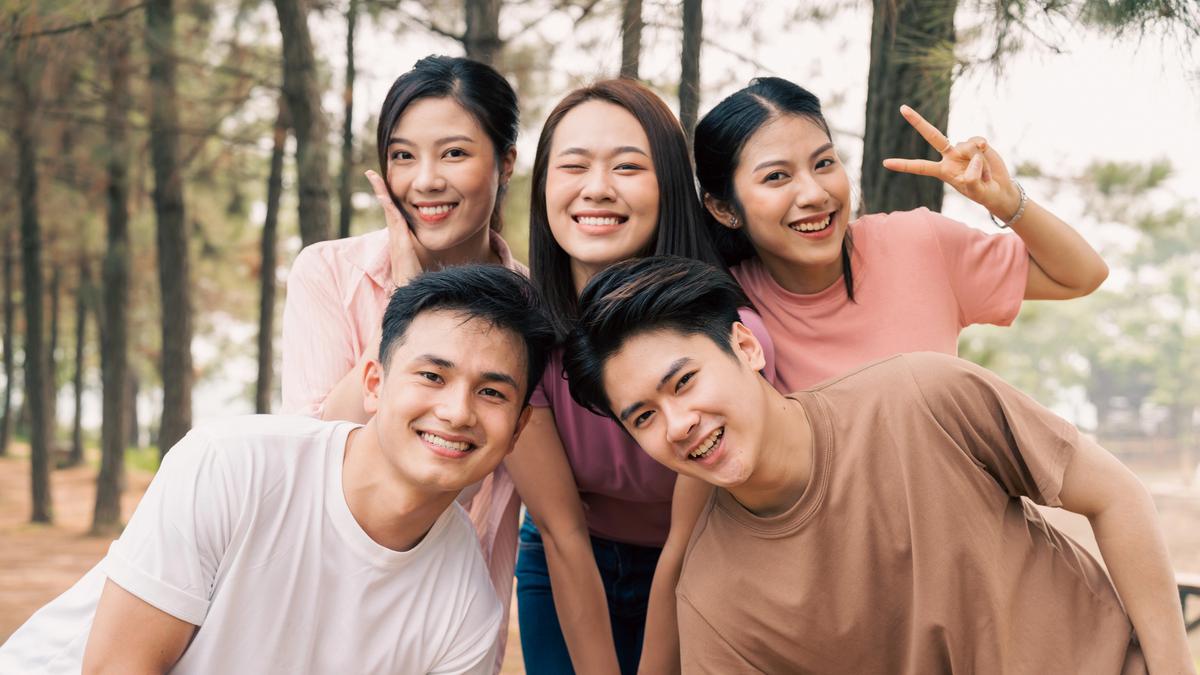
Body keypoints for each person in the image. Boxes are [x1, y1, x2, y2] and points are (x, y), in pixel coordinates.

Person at [562, 255, 1194, 675]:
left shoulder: (924, 396)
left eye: (684, 382)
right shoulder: (715, 600)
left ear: (747, 347)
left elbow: (1115, 496)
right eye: (642, 416)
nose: (678, 425)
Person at [0, 265, 556, 674]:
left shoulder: (468, 610)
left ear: (519, 428)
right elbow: (118, 670)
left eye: (490, 392)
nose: (457, 411)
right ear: (373, 384)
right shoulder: (232, 464)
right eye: (432, 377)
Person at [506, 79, 776, 675]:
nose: (597, 189)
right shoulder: (523, 340)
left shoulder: (727, 332)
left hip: (709, 556)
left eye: (627, 167)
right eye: (573, 166)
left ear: (669, 187)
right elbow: (560, 531)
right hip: (568, 560)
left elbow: (688, 536)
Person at [279, 55, 525, 669]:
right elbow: (315, 443)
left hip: (450, 616)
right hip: (316, 591)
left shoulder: (535, 311)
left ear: (507, 161)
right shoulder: (329, 272)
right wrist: (405, 304)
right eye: (402, 155)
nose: (425, 181)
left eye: (454, 153)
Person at [693, 76, 1109, 392]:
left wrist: (1004, 201)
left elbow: (1082, 275)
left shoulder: (917, 244)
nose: (814, 194)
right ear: (724, 208)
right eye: (777, 176)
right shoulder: (723, 305)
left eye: (823, 164)